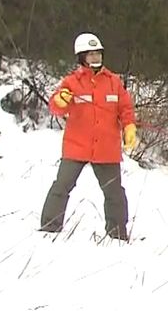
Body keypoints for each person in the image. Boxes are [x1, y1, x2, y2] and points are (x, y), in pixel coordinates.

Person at [40, 32, 137, 240]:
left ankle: (117, 233)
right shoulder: (71, 82)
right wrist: (61, 100)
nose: (95, 57)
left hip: (106, 148)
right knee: (61, 186)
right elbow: (56, 108)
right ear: (81, 57)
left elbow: (126, 108)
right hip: (77, 146)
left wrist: (129, 127)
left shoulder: (114, 82)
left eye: (98, 53)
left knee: (114, 193)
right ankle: (49, 228)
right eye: (90, 54)